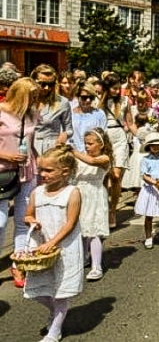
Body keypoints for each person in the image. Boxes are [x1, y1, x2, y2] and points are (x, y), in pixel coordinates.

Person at [22, 144, 82, 342]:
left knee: (61, 292)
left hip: (64, 248)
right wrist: (31, 221)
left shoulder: (72, 192)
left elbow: (70, 223)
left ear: (64, 172)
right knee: (38, 291)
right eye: (41, 170)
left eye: (48, 170)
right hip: (42, 249)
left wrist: (54, 242)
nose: (43, 174)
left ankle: (55, 331)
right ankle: (55, 312)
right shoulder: (36, 193)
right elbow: (28, 215)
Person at [0, 77, 39, 288]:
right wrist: (7, 156)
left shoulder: (32, 114)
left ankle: (18, 262)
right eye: (31, 96)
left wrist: (40, 166)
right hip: (3, 172)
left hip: (28, 171)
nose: (35, 100)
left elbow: (31, 144)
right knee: (1, 221)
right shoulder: (1, 111)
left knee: (24, 219)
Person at [72, 128, 112, 281]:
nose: (87, 147)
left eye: (90, 144)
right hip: (79, 195)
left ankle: (97, 266)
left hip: (94, 195)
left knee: (94, 230)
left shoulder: (104, 158)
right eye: (85, 144)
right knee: (81, 229)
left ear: (101, 144)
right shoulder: (80, 158)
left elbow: (93, 162)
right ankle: (83, 258)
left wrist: (74, 151)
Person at [99, 73, 133, 229]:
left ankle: (113, 210)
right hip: (103, 138)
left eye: (119, 88)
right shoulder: (97, 102)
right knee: (103, 177)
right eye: (114, 88)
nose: (117, 91)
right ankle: (104, 208)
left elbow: (130, 122)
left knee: (116, 175)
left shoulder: (125, 101)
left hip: (119, 137)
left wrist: (142, 136)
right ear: (107, 88)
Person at [31, 64, 73, 159]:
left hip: (50, 148)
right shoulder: (26, 100)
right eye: (42, 84)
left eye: (51, 84)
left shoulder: (62, 102)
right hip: (28, 147)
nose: (47, 88)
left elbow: (69, 129)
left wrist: (65, 134)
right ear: (33, 82)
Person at [70, 82, 106, 153]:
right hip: (73, 154)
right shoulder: (70, 114)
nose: (88, 100)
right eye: (84, 98)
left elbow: (103, 137)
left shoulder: (99, 114)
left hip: (93, 155)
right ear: (77, 97)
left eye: (91, 97)